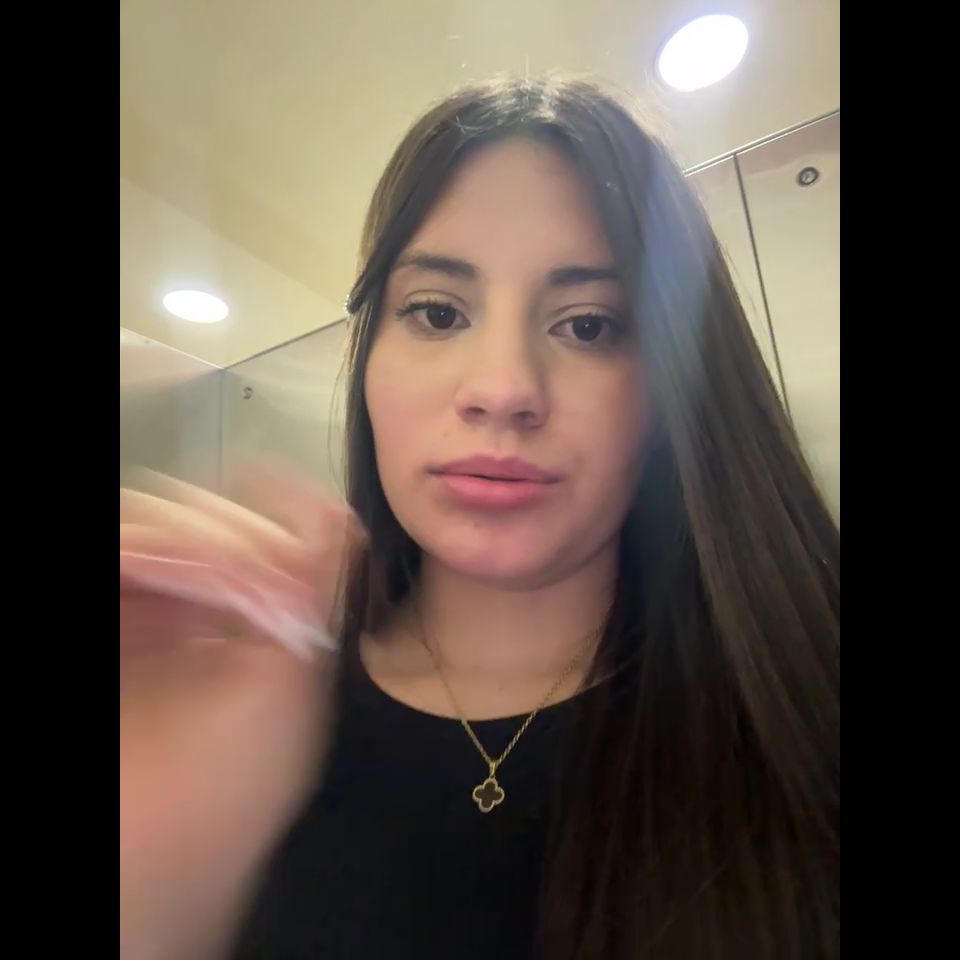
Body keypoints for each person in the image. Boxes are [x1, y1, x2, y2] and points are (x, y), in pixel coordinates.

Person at [120, 74, 840, 960]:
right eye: (436, 312)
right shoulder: (252, 715)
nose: (502, 389)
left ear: (667, 393)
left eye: (587, 326)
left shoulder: (803, 703)